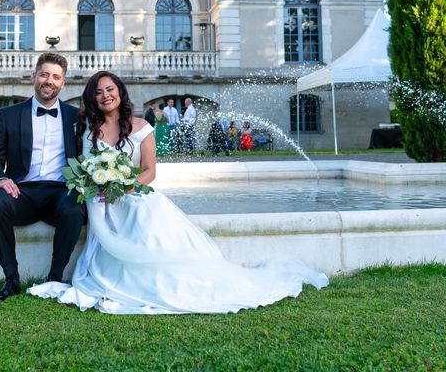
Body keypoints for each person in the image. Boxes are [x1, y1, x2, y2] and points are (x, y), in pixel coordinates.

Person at [28, 71, 328, 314]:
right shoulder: (86, 128)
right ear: (92, 98)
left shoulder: (142, 126)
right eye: (98, 92)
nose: (105, 95)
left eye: (110, 89)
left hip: (131, 194)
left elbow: (149, 172)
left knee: (144, 214)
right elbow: (82, 165)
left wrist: (123, 187)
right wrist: (96, 187)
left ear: (120, 92)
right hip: (99, 201)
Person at [0, 52, 86, 304]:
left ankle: (55, 278)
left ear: (63, 83)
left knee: (76, 208)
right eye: (44, 75)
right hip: (22, 192)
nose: (48, 81)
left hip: (61, 192)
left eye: (55, 77)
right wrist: (0, 179)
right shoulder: (9, 115)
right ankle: (11, 279)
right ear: (34, 77)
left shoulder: (77, 117)